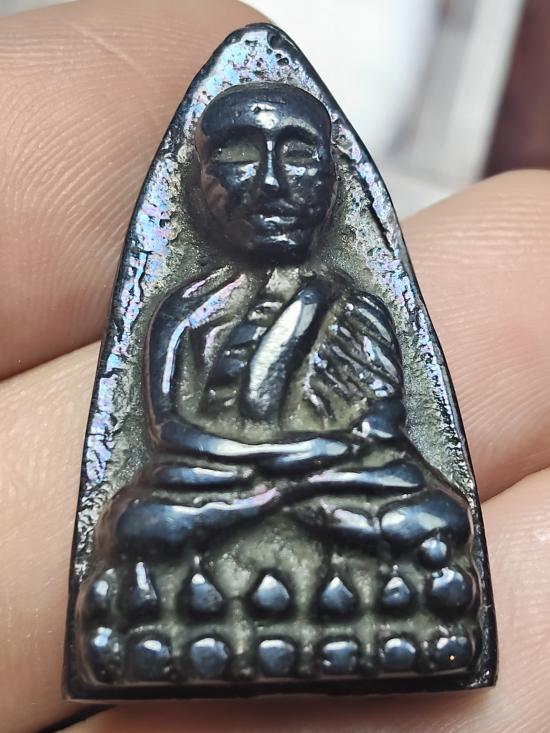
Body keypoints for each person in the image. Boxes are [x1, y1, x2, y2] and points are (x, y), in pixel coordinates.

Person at [2, 0, 550, 731]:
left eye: (297, 155)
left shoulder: (353, 305)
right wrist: (274, 479)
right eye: (237, 155)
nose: (269, 182)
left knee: (431, 513)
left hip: (335, 486)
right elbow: (170, 436)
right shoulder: (182, 311)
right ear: (199, 180)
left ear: (332, 181)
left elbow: (378, 435)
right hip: (220, 485)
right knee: (138, 523)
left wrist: (275, 480)